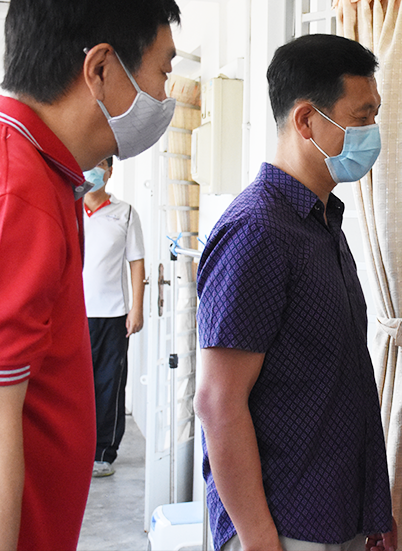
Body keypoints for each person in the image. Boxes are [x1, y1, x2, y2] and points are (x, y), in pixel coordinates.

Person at [194, 34, 396, 551]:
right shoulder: (259, 231)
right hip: (285, 526)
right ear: (307, 121)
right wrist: (261, 541)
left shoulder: (322, 221)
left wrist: (374, 510)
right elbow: (219, 402)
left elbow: (338, 382)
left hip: (337, 513)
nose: (373, 133)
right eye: (361, 117)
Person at [0, 1, 180, 548]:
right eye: (163, 71)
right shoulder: (20, 187)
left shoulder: (49, 175)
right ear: (101, 69)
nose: (166, 94)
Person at [82, 156, 146, 478]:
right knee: (76, 387)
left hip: (112, 315)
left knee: (108, 385)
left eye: (99, 165)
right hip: (75, 314)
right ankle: (75, 449)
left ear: (110, 171)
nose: (92, 171)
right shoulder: (69, 209)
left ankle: (103, 452)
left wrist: (137, 307)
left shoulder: (126, 213)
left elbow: (136, 262)